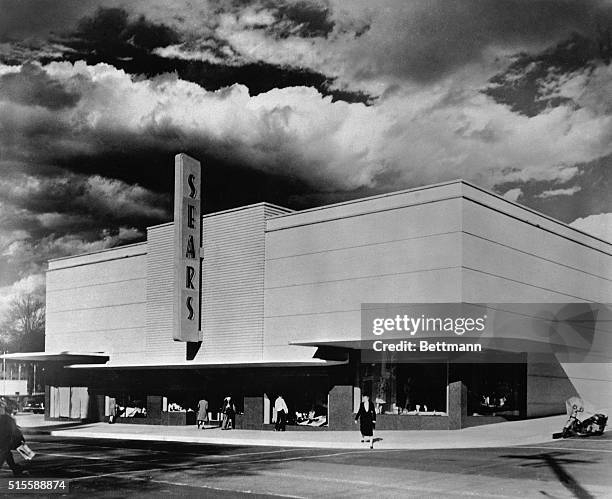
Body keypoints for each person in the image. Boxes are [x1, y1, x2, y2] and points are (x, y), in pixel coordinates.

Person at [0, 401, 27, 476]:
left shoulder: (7, 418)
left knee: (7, 455)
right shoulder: (8, 419)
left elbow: (14, 430)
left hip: (6, 440)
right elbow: (14, 431)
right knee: (6, 455)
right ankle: (18, 469)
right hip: (7, 440)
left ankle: (16, 470)